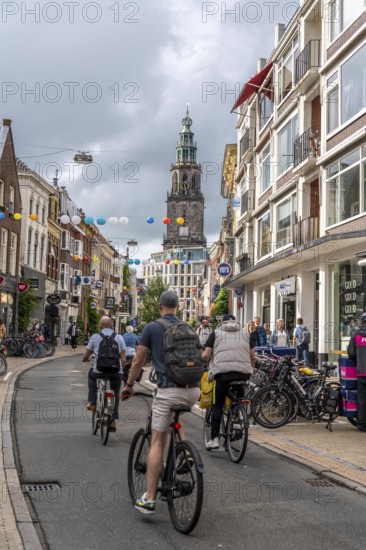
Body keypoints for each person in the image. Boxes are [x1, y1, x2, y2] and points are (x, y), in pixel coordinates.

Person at [121, 290, 200, 515]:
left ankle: (150, 499)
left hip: (169, 390)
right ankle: (184, 453)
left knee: (157, 442)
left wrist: (129, 385)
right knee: (174, 418)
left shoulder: (152, 327)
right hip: (192, 390)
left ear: (160, 306)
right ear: (178, 307)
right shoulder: (188, 327)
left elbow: (138, 361)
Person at [202, 314, 254, 449]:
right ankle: (237, 421)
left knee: (217, 405)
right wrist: (249, 367)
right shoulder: (246, 333)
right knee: (239, 400)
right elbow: (252, 356)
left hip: (222, 375)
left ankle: (214, 439)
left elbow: (206, 355)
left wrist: (203, 364)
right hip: (243, 374)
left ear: (222, 322)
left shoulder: (216, 333)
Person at [82, 316, 126, 432]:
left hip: (99, 371)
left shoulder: (95, 337)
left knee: (91, 375)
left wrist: (85, 359)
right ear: (112, 325)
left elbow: (86, 356)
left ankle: (92, 402)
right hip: (116, 371)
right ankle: (113, 419)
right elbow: (123, 358)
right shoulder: (119, 337)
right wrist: (122, 368)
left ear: (100, 325)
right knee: (115, 392)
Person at [347, 312, 366, 432]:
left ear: (362, 321)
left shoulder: (356, 335)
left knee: (362, 398)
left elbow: (351, 353)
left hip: (362, 372)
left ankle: (361, 424)